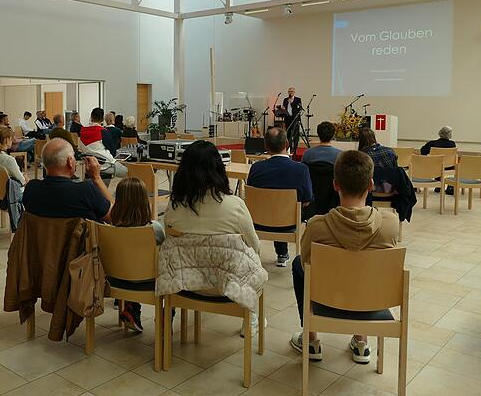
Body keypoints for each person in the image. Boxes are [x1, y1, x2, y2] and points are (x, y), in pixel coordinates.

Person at [289, 150, 400, 364]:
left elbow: (305, 264)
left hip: (328, 301)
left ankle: (311, 339)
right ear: (370, 185)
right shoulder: (390, 224)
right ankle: (361, 341)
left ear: (335, 184)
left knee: (298, 265)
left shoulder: (317, 226)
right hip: (370, 302)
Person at [163, 140, 262, 334]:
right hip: (228, 287)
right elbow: (254, 245)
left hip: (186, 284)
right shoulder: (235, 206)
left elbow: (170, 240)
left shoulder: (173, 208)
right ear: (218, 168)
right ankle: (250, 318)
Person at [247, 128, 313, 267]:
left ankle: (281, 253)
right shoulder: (301, 169)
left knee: (273, 205)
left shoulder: (256, 168)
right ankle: (282, 254)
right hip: (289, 223)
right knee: (289, 207)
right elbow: (307, 201)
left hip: (259, 221)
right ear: (287, 144)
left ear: (266, 146)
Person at [109, 177, 166, 332]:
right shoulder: (154, 229)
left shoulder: (109, 229)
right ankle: (166, 314)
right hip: (147, 283)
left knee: (128, 263)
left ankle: (131, 307)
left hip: (114, 280)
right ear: (144, 201)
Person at [23, 138, 112, 222]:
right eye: (73, 157)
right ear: (70, 161)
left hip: (42, 238)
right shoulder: (85, 191)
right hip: (81, 239)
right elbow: (115, 217)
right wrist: (96, 178)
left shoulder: (31, 189)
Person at [79, 108, 127, 178]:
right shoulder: (103, 132)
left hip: (90, 165)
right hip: (106, 165)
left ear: (91, 117)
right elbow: (112, 151)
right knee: (130, 171)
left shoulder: (82, 131)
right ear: (102, 120)